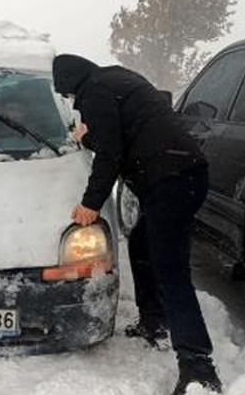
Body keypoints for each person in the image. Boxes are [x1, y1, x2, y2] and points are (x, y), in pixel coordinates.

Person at [52, 55, 221, 395]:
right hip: (187, 174)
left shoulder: (94, 93)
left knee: (172, 271)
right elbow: (121, 134)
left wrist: (90, 204)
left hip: (169, 180)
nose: (72, 102)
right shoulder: (116, 78)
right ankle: (153, 321)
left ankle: (198, 367)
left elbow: (111, 154)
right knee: (142, 244)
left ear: (71, 85)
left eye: (68, 96)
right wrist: (87, 139)